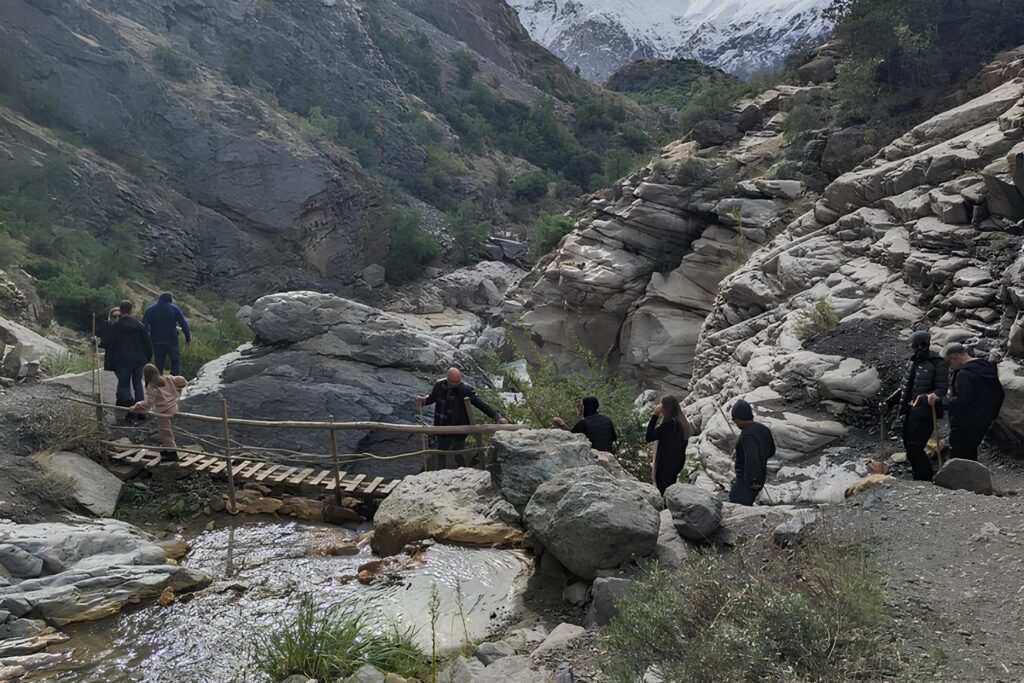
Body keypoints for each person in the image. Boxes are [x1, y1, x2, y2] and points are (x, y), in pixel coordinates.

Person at [880, 330, 948, 481]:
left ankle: (925, 478)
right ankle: (920, 475)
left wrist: (923, 398)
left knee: (915, 446)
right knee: (909, 445)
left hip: (926, 412)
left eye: (917, 346)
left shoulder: (938, 363)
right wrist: (889, 402)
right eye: (913, 347)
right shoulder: (912, 361)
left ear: (925, 345)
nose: (915, 350)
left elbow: (941, 390)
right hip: (910, 411)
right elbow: (905, 387)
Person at [416, 367, 509, 469]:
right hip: (442, 424)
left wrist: (497, 417)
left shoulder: (465, 390)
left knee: (458, 451)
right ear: (447, 379)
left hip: (459, 426)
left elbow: (480, 404)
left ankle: (463, 470)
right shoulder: (439, 385)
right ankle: (439, 472)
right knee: (441, 450)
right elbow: (433, 397)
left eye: (458, 381)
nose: (456, 384)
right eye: (453, 382)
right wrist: (424, 400)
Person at [926, 343, 1004, 461]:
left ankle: (963, 479)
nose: (950, 367)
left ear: (955, 357)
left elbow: (961, 402)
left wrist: (939, 402)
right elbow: (999, 394)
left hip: (965, 424)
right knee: (970, 453)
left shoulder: (965, 374)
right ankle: (973, 477)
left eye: (948, 363)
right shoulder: (986, 366)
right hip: (982, 422)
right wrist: (991, 416)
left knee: (959, 457)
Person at [103, 300, 153, 423]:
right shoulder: (139, 326)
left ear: (121, 309)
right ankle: (141, 411)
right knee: (137, 385)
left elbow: (106, 343)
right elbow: (147, 343)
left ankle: (129, 405)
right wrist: (147, 358)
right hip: (138, 360)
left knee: (124, 384)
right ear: (131, 310)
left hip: (122, 361)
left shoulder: (115, 327)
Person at [130, 364, 188, 462]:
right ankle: (168, 449)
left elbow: (149, 403)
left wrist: (136, 407)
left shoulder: (152, 387)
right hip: (174, 409)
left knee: (165, 433)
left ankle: (172, 454)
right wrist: (179, 391)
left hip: (163, 413)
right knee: (169, 431)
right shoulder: (169, 379)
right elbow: (182, 381)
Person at [729, 399, 775, 506]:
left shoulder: (747, 435)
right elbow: (771, 452)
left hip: (747, 482)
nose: (734, 422)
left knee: (737, 506)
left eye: (734, 419)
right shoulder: (764, 429)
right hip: (760, 478)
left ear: (739, 417)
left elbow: (752, 458)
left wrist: (753, 480)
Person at [645, 395, 692, 494]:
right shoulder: (682, 423)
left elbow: (649, 437)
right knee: (669, 490)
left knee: (663, 492)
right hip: (676, 464)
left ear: (665, 407)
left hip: (665, 467)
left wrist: (655, 415)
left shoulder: (669, 424)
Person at [142, 292, 191, 376]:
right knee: (175, 362)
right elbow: (183, 324)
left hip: (156, 341)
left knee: (159, 364)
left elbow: (144, 326)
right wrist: (187, 337)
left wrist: (144, 340)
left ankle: (158, 383)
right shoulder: (174, 309)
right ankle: (174, 380)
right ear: (170, 300)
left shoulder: (150, 310)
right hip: (172, 341)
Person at [553, 396, 617, 453]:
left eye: (581, 406)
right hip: (609, 455)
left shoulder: (583, 423)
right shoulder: (607, 419)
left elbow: (571, 437)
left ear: (585, 407)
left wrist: (562, 424)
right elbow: (613, 438)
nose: (579, 408)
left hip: (593, 456)